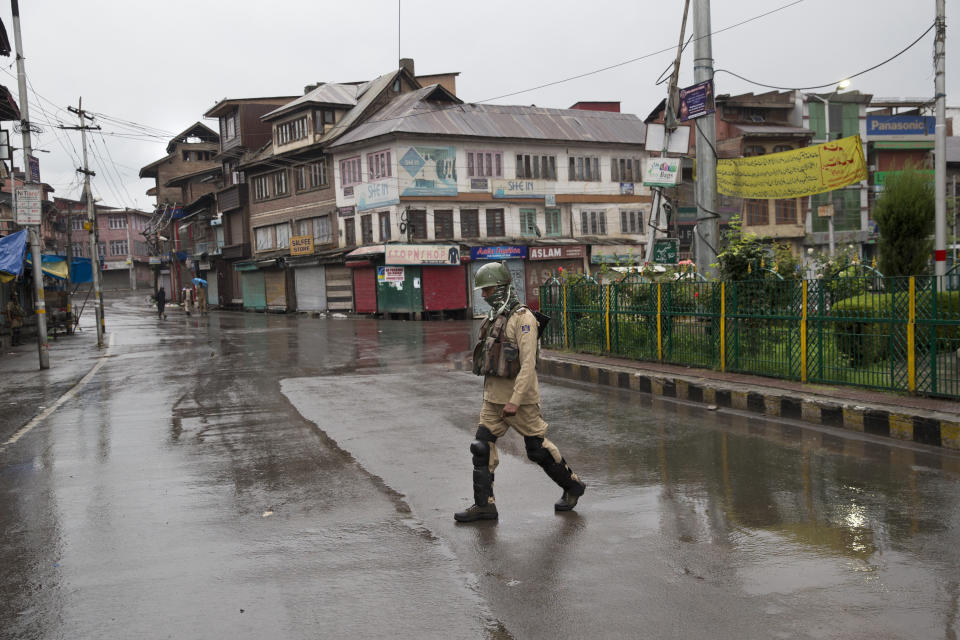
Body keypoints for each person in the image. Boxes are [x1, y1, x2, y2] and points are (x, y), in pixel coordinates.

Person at [454, 262, 586, 523]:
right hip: (493, 400)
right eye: (483, 291)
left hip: (520, 402)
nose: (484, 296)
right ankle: (484, 506)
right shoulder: (494, 317)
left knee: (537, 450)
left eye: (488, 290)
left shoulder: (523, 319)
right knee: (481, 447)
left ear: (502, 288)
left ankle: (573, 487)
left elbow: (528, 365)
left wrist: (514, 401)